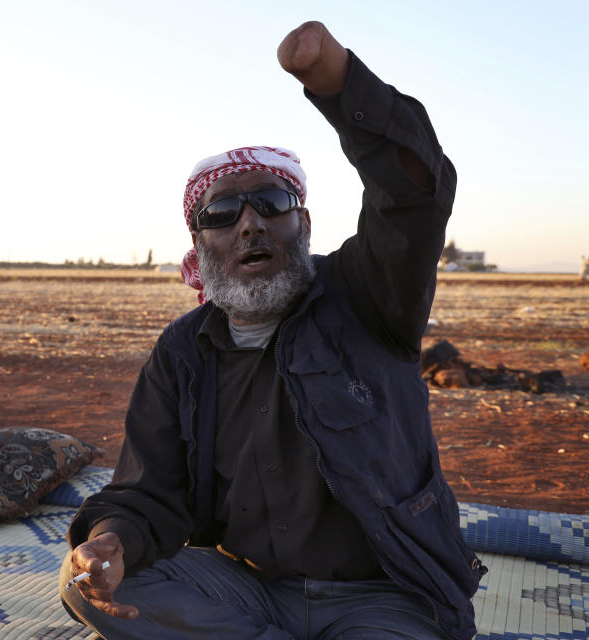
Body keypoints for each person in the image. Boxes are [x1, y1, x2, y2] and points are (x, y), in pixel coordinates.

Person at [59, 20, 486, 640]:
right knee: (90, 589)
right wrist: (107, 543)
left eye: (271, 203)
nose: (250, 224)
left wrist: (337, 82)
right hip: (244, 587)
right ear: (200, 242)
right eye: (223, 213)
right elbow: (146, 493)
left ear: (302, 220)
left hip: (384, 594)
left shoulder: (368, 297)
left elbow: (412, 197)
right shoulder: (183, 351)